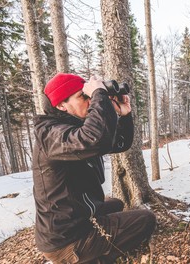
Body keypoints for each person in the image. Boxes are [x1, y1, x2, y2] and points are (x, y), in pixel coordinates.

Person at [32, 73, 156, 263]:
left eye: (89, 95)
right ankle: (93, 259)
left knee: (116, 204)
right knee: (146, 220)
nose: (90, 100)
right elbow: (92, 140)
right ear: (61, 105)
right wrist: (99, 94)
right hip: (67, 239)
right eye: (83, 96)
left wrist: (123, 115)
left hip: (75, 218)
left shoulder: (73, 128)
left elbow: (118, 143)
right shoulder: (51, 135)